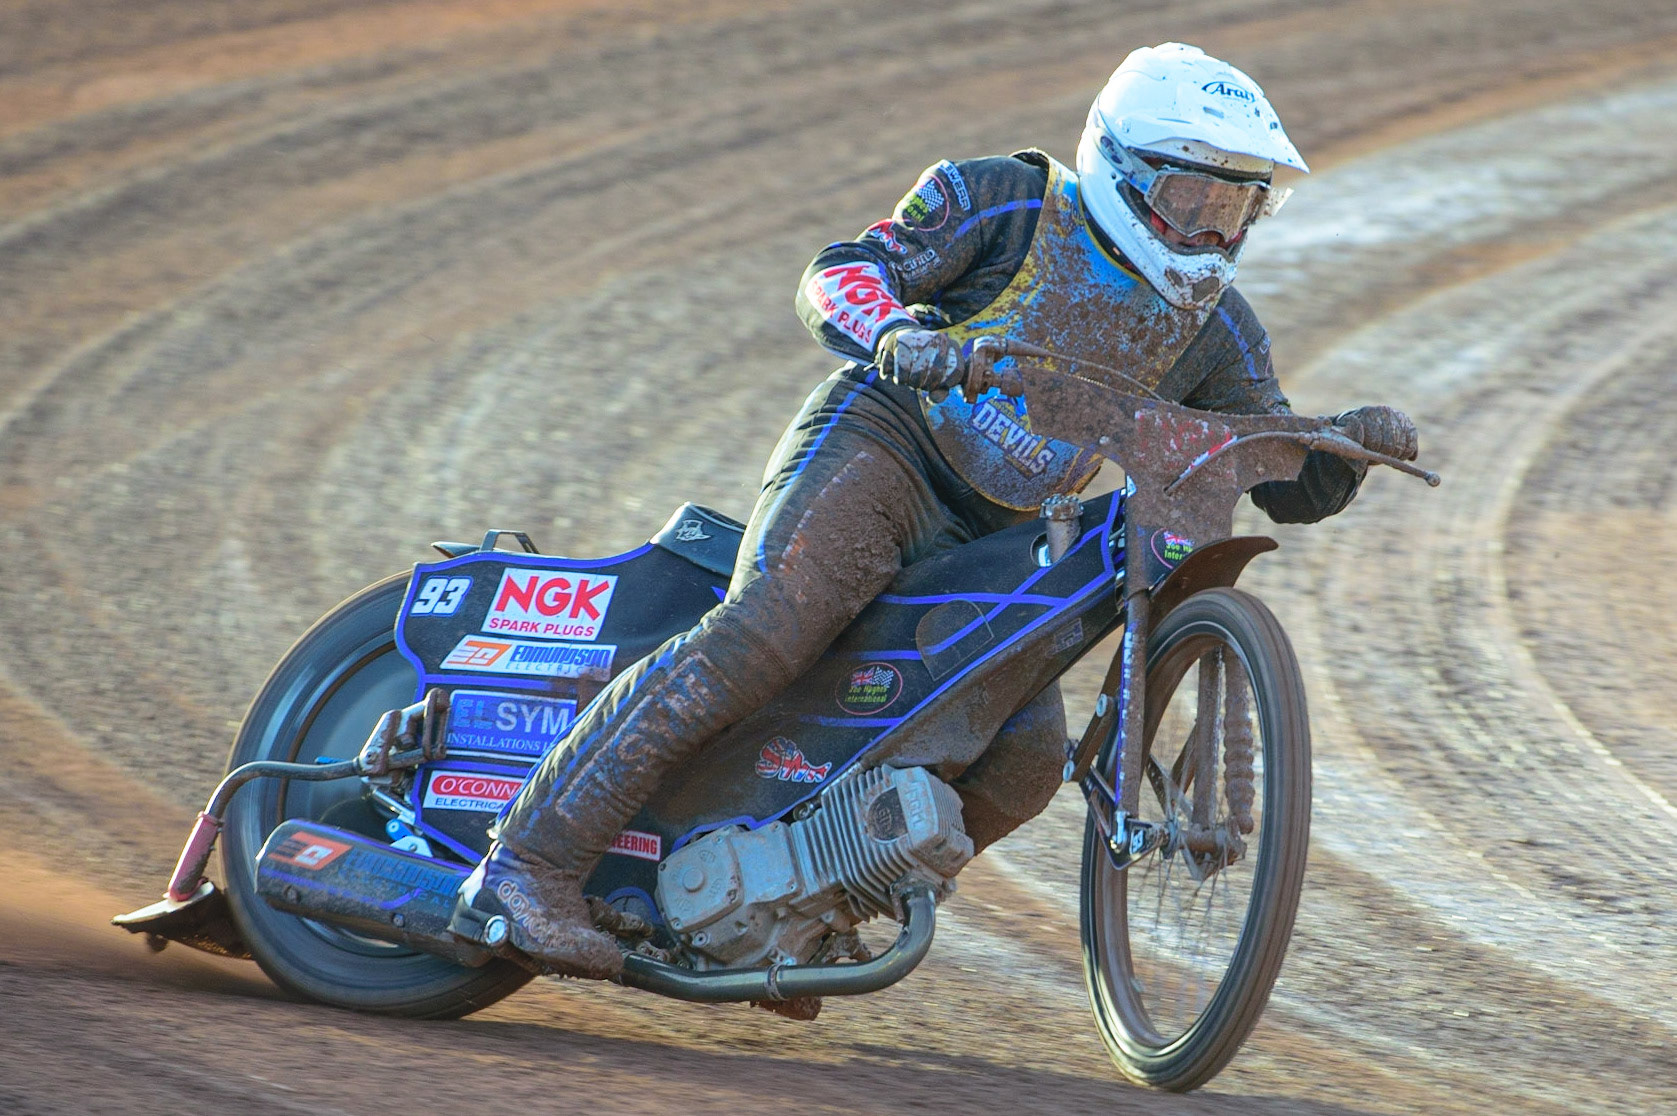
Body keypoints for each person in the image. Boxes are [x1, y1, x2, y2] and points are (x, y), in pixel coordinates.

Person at [447, 42, 1418, 980]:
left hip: (1006, 538)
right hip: (886, 450)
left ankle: (805, 910)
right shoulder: (1002, 201)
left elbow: (1281, 477)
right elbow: (838, 272)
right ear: (1119, 168)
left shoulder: (1219, 330)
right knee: (766, 629)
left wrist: (1347, 445)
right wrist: (899, 332)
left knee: (1027, 764)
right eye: (1192, 200)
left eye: (1240, 207)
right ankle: (523, 865)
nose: (1214, 234)